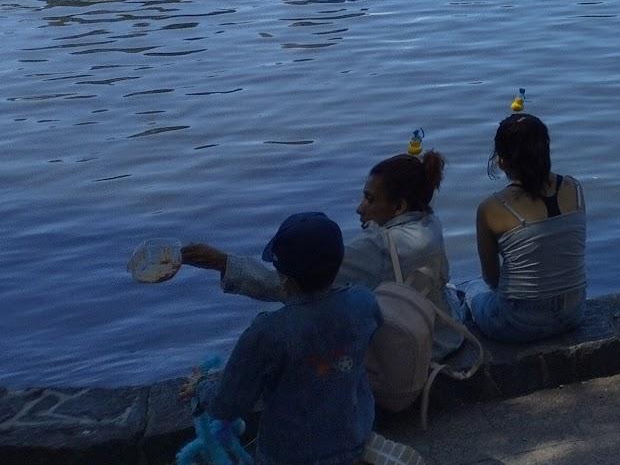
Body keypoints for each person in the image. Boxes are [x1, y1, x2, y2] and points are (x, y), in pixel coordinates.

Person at [183, 145, 465, 358]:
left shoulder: (377, 246)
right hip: (444, 332)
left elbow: (291, 282)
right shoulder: (430, 221)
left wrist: (223, 263)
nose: (359, 207)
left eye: (369, 199)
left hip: (413, 348)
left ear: (399, 207)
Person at [201, 212, 379, 465]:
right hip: (354, 440)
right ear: (339, 261)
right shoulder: (364, 303)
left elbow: (227, 405)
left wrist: (201, 388)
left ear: (285, 277)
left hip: (287, 463)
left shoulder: (267, 332)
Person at [452, 113, 587, 344]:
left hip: (517, 324)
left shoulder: (490, 208)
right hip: (574, 313)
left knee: (469, 289)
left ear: (502, 161)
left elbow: (491, 278)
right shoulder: (574, 188)